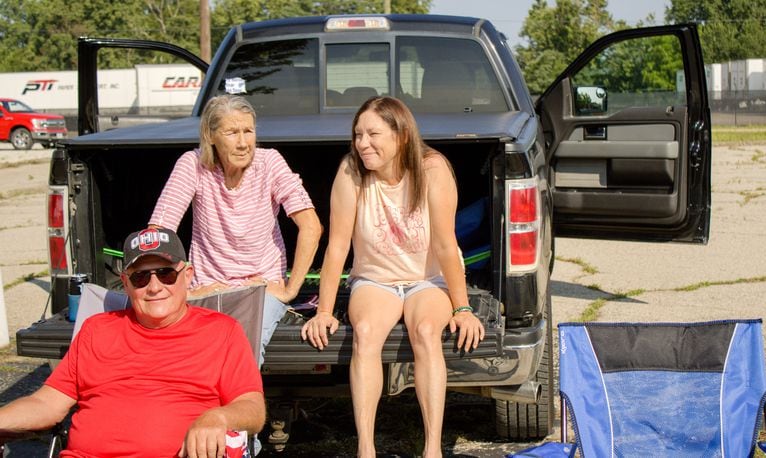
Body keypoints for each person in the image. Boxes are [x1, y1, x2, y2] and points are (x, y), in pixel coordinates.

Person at [300, 96, 485, 458]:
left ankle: (432, 448)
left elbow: (447, 246)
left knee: (427, 333)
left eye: (372, 134)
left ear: (401, 136)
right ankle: (365, 448)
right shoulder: (351, 171)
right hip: (375, 279)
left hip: (427, 278)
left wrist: (462, 307)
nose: (362, 143)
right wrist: (323, 311)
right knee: (366, 334)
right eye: (357, 134)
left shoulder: (432, 169)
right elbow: (337, 246)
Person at [0, 227, 265, 457]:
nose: (154, 286)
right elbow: (47, 404)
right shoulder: (97, 329)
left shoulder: (221, 331)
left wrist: (218, 417)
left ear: (187, 275)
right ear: (125, 283)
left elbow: (252, 409)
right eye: (140, 277)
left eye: (166, 274)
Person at [149, 94, 322, 365]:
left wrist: (290, 290)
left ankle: (240, 408)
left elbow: (311, 225)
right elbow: (158, 234)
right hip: (208, 287)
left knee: (243, 350)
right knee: (193, 356)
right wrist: (182, 286)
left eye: (248, 131)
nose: (243, 143)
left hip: (261, 288)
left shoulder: (270, 162)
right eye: (232, 132)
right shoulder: (192, 164)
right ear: (211, 136)